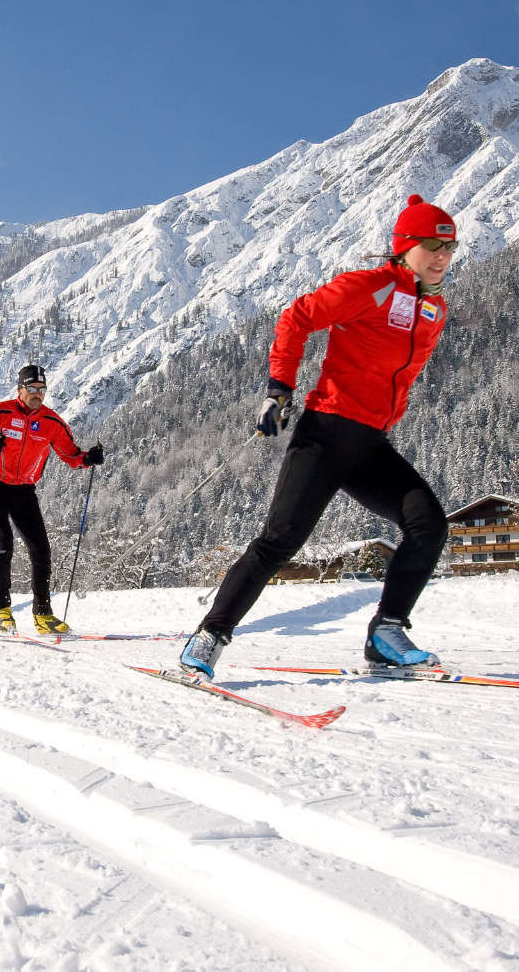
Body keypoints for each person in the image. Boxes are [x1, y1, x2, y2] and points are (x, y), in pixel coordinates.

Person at [179, 195, 456, 680]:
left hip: (370, 444)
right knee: (278, 543)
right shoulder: (370, 287)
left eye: (449, 247)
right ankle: (208, 637)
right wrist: (279, 388)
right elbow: (297, 318)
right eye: (431, 245)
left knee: (428, 523)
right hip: (326, 434)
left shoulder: (434, 309)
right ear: (404, 247)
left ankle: (386, 634)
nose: (442, 256)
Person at [0, 363, 104, 635]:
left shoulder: (52, 422)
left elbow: (70, 454)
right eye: (32, 389)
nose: (37, 394)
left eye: (42, 389)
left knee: (41, 549)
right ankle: (2, 610)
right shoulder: (1, 412)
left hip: (24, 490)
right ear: (20, 390)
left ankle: (43, 614)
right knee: (2, 542)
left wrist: (88, 458)